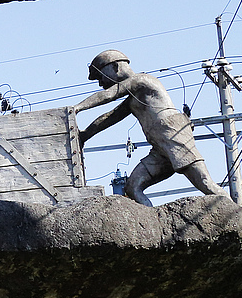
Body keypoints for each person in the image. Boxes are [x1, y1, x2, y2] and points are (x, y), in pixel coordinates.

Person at [73, 50, 228, 206]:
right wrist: (85, 135)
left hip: (173, 135)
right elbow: (110, 117)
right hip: (159, 146)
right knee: (132, 187)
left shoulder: (141, 80)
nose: (101, 83)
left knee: (205, 183)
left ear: (115, 67)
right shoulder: (133, 98)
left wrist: (76, 108)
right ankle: (154, 223)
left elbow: (109, 95)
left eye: (100, 76)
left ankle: (238, 213)